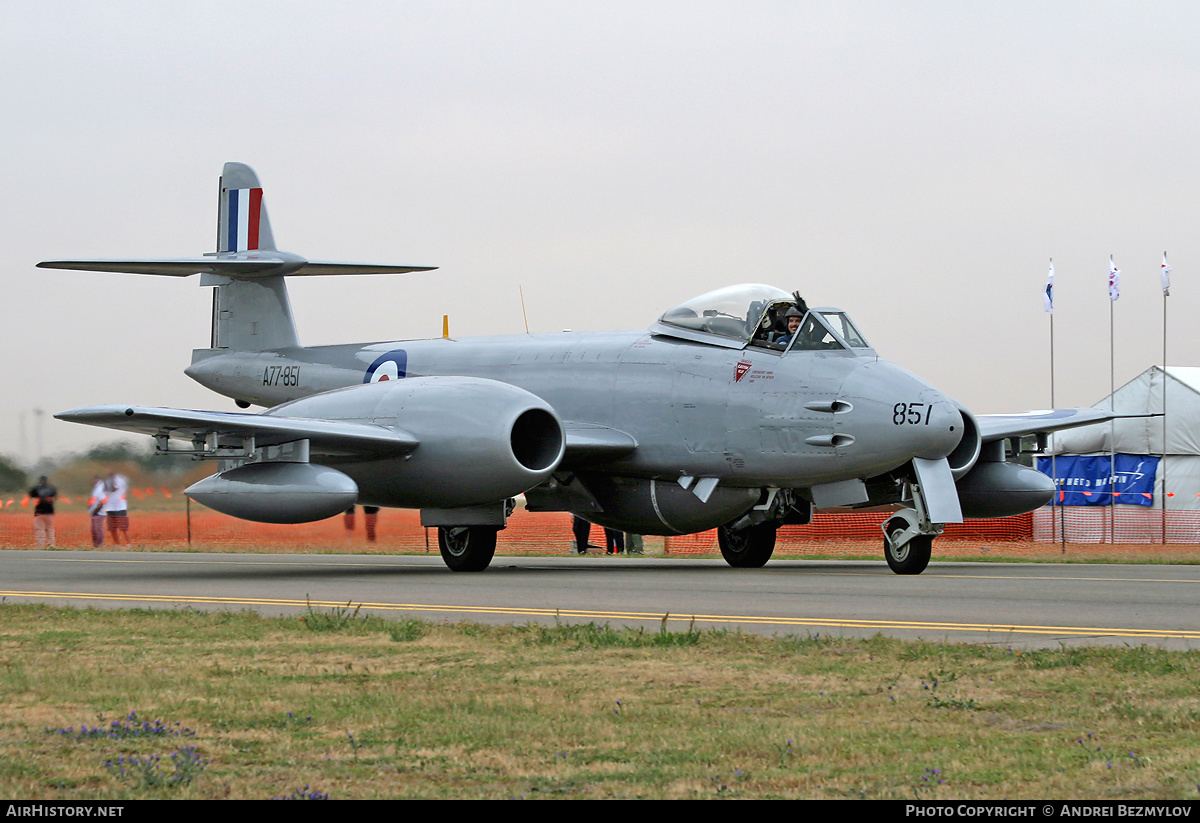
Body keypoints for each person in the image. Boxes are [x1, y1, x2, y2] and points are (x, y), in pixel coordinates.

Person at [28, 476, 57, 547]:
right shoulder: (52, 488)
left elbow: (31, 495)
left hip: (39, 512)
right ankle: (52, 545)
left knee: (40, 529)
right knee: (50, 529)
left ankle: (40, 545)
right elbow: (54, 496)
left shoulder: (36, 488)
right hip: (50, 512)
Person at [103, 470, 130, 545]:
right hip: (110, 507)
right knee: (112, 528)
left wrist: (111, 481)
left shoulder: (119, 479)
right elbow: (105, 490)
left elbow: (114, 488)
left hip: (120, 507)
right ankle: (117, 545)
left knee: (123, 528)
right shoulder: (107, 480)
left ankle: (128, 544)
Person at [88, 475, 107, 547]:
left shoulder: (100, 489)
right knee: (94, 529)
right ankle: (96, 544)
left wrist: (96, 510)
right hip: (95, 512)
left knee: (97, 528)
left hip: (99, 512)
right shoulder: (97, 488)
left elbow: (102, 500)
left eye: (93, 480)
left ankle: (99, 544)